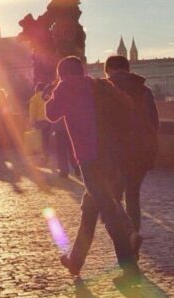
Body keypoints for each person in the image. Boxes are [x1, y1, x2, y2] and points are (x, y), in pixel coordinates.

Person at [45, 56, 141, 284]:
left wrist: (51, 91)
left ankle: (130, 262)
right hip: (112, 154)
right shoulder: (97, 84)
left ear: (62, 73)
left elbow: (51, 113)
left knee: (108, 211)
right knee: (90, 210)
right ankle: (76, 261)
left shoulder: (64, 87)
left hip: (89, 158)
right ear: (83, 70)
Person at [105, 55, 159, 235]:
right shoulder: (145, 91)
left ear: (109, 70)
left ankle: (126, 236)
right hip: (141, 151)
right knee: (133, 196)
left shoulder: (105, 90)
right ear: (128, 69)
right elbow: (154, 123)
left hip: (115, 152)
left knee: (113, 198)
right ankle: (133, 236)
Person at [29, 83, 51, 161]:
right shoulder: (48, 97)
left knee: (40, 140)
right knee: (46, 139)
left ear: (37, 89)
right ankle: (46, 155)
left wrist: (31, 122)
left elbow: (32, 111)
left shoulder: (34, 98)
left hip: (39, 122)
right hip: (48, 121)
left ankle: (43, 157)